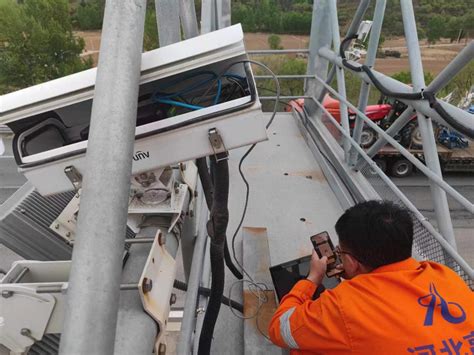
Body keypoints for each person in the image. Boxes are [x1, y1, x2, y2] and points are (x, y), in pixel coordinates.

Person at [268, 200, 473, 354]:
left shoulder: (343, 305)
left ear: (353, 262)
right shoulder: (444, 275)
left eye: (340, 252)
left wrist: (312, 279)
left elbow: (279, 329)